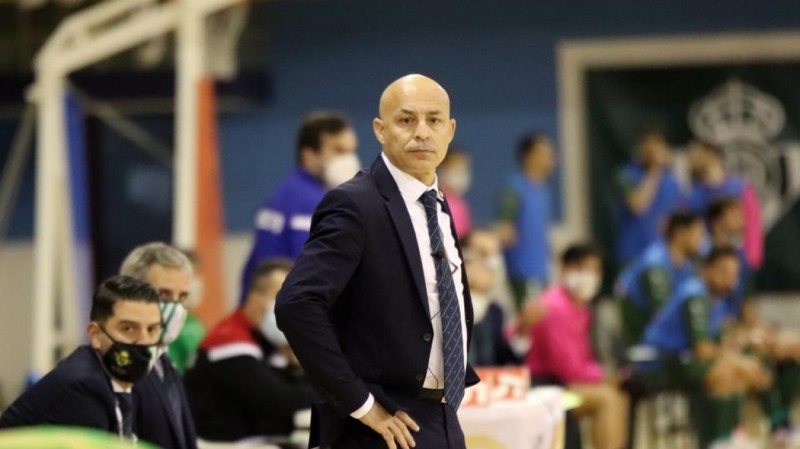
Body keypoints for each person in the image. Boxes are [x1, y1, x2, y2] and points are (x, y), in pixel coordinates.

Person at [275, 74, 479, 449]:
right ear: (380, 130)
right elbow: (296, 304)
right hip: (380, 427)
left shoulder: (436, 201)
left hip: (442, 418)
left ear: (450, 130)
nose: (421, 133)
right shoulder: (355, 204)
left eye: (434, 120)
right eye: (406, 120)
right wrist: (361, 404)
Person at [0, 276, 162, 441]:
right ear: (95, 335)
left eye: (152, 329)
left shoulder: (112, 378)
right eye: (128, 328)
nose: (144, 341)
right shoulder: (84, 388)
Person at [639, 246, 771, 448]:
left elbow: (720, 340)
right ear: (707, 269)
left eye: (734, 275)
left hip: (685, 360)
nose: (730, 280)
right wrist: (738, 363)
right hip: (660, 363)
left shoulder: (715, 298)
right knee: (726, 372)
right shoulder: (695, 295)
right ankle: (715, 441)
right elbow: (702, 349)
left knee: (743, 366)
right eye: (724, 272)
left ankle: (729, 435)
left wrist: (743, 347)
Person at [185, 259, 311, 443]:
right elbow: (279, 401)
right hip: (217, 443)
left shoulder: (269, 341)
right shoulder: (228, 340)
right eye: (282, 297)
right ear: (254, 297)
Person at [240, 112, 359, 296]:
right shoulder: (313, 203)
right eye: (339, 150)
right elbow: (316, 273)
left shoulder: (281, 195)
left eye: (351, 150)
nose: (349, 159)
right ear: (309, 155)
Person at [525, 243, 629, 449]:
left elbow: (583, 357)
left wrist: (605, 376)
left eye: (596, 271)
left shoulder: (580, 306)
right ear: (567, 270)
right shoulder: (554, 306)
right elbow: (564, 367)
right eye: (585, 269)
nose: (592, 277)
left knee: (618, 396)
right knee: (607, 399)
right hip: (545, 386)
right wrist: (602, 377)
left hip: (566, 382)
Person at [120, 243, 198, 449]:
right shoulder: (118, 367)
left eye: (182, 297)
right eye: (163, 295)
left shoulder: (164, 363)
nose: (176, 308)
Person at [616, 212, 706, 347]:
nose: (701, 241)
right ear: (680, 233)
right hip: (641, 338)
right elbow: (662, 315)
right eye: (698, 234)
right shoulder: (655, 264)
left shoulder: (686, 265)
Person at [496, 133, 556, 310]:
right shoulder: (514, 188)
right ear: (528, 156)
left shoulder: (543, 189)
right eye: (544, 153)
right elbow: (504, 230)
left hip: (542, 270)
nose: (550, 158)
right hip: (523, 272)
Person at [688, 140, 763, 269]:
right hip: (708, 262)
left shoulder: (741, 189)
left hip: (739, 260)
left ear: (711, 155)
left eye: (696, 154)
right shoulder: (693, 195)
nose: (691, 159)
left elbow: (753, 225)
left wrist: (752, 257)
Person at [615, 130, 684, 264]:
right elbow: (637, 206)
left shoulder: (672, 182)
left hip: (661, 253)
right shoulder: (626, 175)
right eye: (650, 148)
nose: (654, 153)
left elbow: (676, 216)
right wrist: (654, 171)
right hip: (632, 252)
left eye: (659, 147)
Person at [462, 239, 516, 367]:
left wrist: (521, 334)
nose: (491, 264)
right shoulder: (446, 309)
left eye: (495, 254)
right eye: (483, 254)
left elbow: (503, 361)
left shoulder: (495, 311)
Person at [167, 250, 207, 375]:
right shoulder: (165, 323)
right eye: (189, 275)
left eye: (197, 274)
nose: (195, 282)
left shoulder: (193, 320)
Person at [437, 146, 472, 238]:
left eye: (464, 170)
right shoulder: (435, 200)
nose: (460, 174)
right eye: (455, 169)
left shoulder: (462, 205)